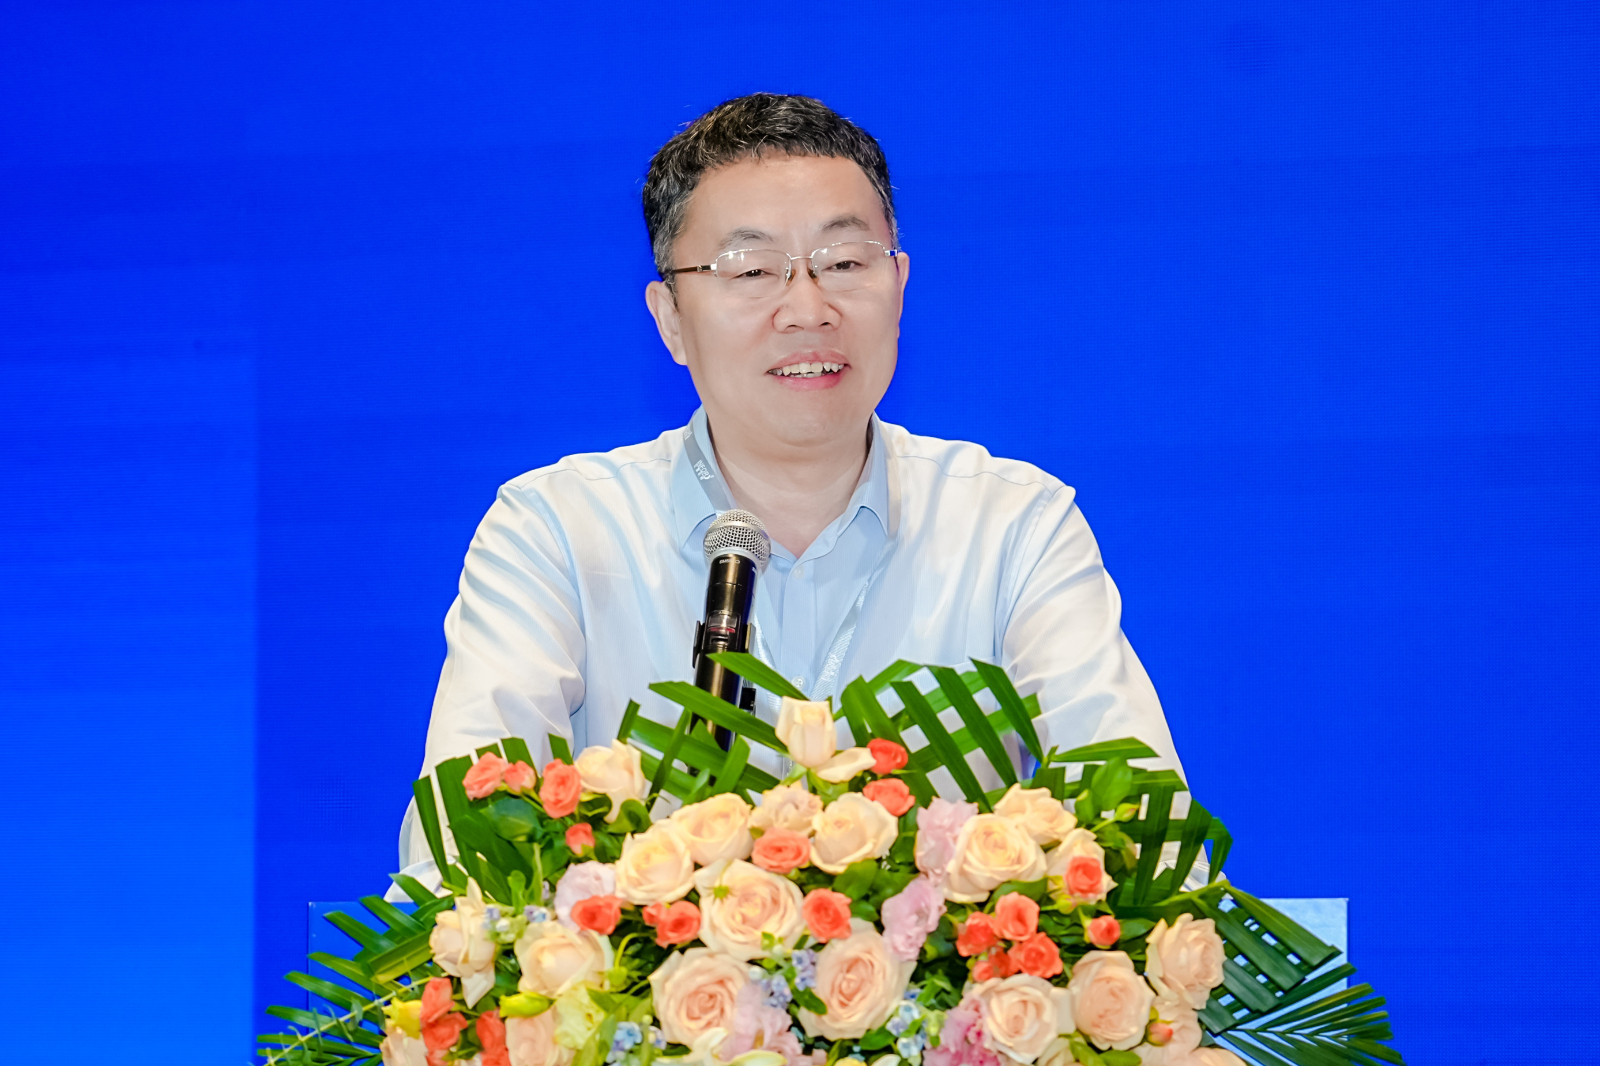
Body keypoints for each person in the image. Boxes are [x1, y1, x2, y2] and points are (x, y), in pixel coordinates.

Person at [391, 93, 1184, 889]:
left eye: (845, 263)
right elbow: (459, 862)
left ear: (899, 284)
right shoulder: (557, 533)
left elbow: (1148, 842)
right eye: (751, 270)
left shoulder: (1012, 526)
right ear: (671, 319)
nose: (808, 309)